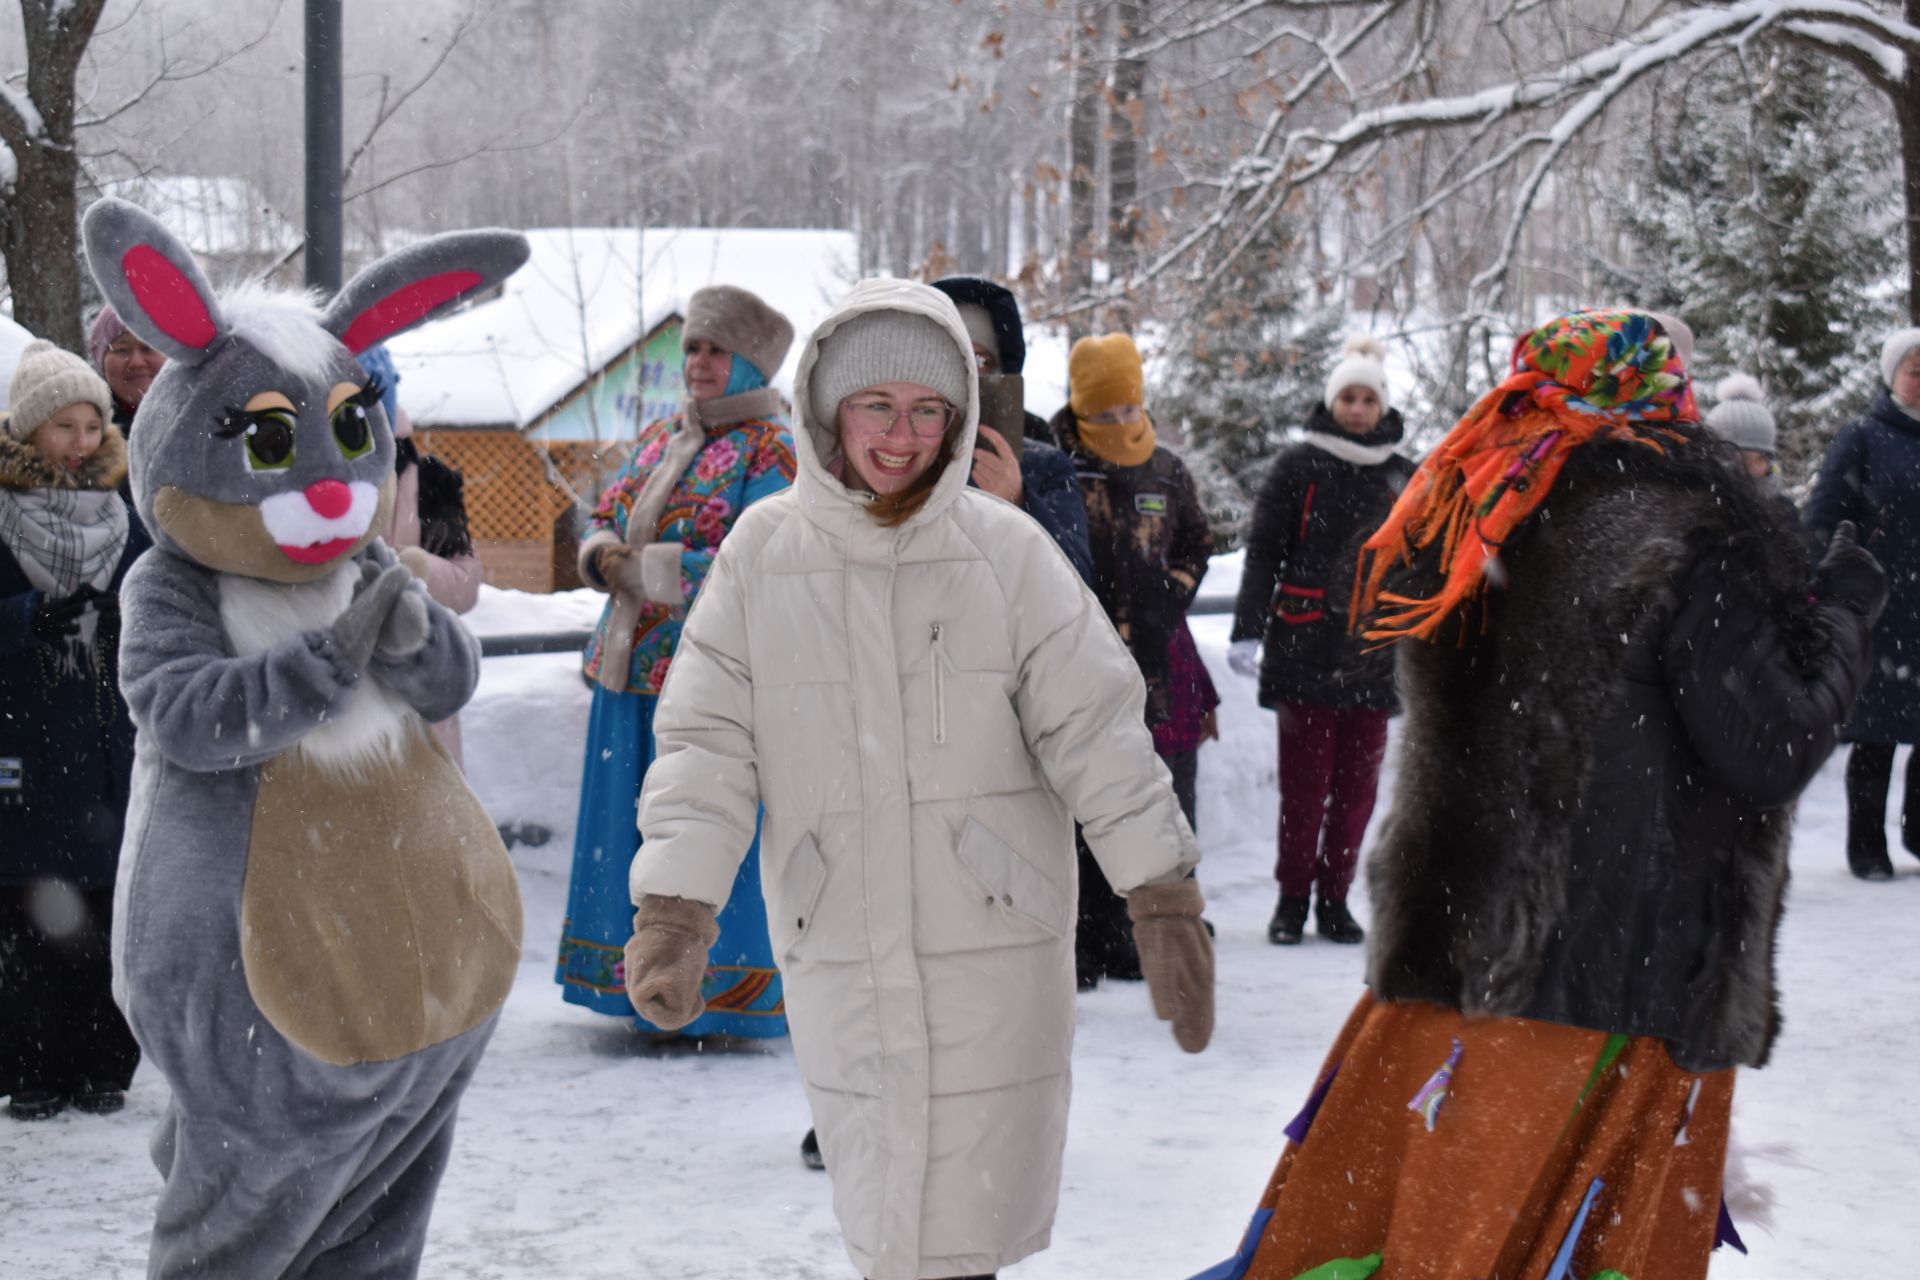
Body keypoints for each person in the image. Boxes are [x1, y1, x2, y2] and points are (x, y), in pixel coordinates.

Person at [1198, 309, 1879, 1280]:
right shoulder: (1689, 529)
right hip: (1612, 976)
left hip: (1455, 970)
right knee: (1568, 1242)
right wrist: (1846, 609)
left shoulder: (1486, 505)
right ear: (1656, 395)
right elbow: (1770, 744)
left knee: (1420, 1236)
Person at [621, 278, 1212, 1280]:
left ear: (959, 416)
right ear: (827, 409)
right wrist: (676, 908)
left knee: (965, 1224)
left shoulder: (1005, 551)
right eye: (877, 406)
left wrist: (1160, 896)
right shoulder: (765, 554)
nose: (902, 434)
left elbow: (1097, 730)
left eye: (928, 409)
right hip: (838, 923)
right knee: (885, 1209)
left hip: (992, 924)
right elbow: (707, 740)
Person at [557, 285, 797, 1038]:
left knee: (700, 830)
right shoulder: (663, 437)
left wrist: (650, 572)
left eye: (715, 349)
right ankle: (628, 985)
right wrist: (601, 554)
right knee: (624, 833)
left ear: (751, 363)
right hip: (627, 674)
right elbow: (602, 513)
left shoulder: (776, 450)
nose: (697, 362)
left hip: (708, 682)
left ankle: (718, 994)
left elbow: (759, 561)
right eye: (691, 347)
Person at [1227, 335, 1416, 947]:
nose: (1357, 409)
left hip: (1373, 656)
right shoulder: (1297, 467)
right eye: (1348, 398)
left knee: (1357, 794)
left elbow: (1424, 563)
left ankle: (1335, 899)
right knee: (1304, 790)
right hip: (1304, 653)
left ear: (1382, 405)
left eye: (1368, 399)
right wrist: (1248, 631)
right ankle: (1291, 900)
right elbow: (1265, 554)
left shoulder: (1403, 476)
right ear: (1332, 402)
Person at [0, 342, 142, 1120]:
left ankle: (103, 1064)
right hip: (21, 746)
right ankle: (32, 1067)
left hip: (100, 746)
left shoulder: (123, 516)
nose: (84, 441)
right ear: (30, 431)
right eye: (65, 425)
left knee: (100, 913)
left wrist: (129, 619)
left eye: (93, 424)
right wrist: (26, 619)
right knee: (27, 919)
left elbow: (162, 603)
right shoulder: (0, 512)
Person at [1049, 332, 1214, 987]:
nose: (1121, 425)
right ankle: (1093, 933)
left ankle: (1151, 930)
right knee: (1090, 798)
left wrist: (1170, 593)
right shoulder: (1059, 464)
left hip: (1160, 661)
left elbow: (1198, 543)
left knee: (1162, 794)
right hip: (1081, 657)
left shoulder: (1166, 469)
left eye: (1129, 410)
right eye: (1106, 413)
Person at [1806, 329, 1920, 880]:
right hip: (1883, 609)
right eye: (1914, 370)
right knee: (1875, 736)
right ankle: (1867, 847)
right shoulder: (1864, 437)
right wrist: (1825, 581)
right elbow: (1827, 515)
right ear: (1891, 375)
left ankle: (1919, 835)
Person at [359, 343, 485, 765]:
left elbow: (466, 586)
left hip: (418, 689)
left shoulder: (432, 483)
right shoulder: (312, 477)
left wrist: (412, 567)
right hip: (344, 696)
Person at [930, 275, 1093, 583]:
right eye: (953, 352)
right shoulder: (897, 451)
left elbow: (1078, 582)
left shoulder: (1043, 465)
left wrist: (1019, 502)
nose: (966, 370)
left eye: (980, 359)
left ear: (1001, 370)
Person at [89, 304, 165, 436]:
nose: (136, 362)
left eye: (148, 348)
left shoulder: (204, 418)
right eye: (122, 350)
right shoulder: (82, 436)